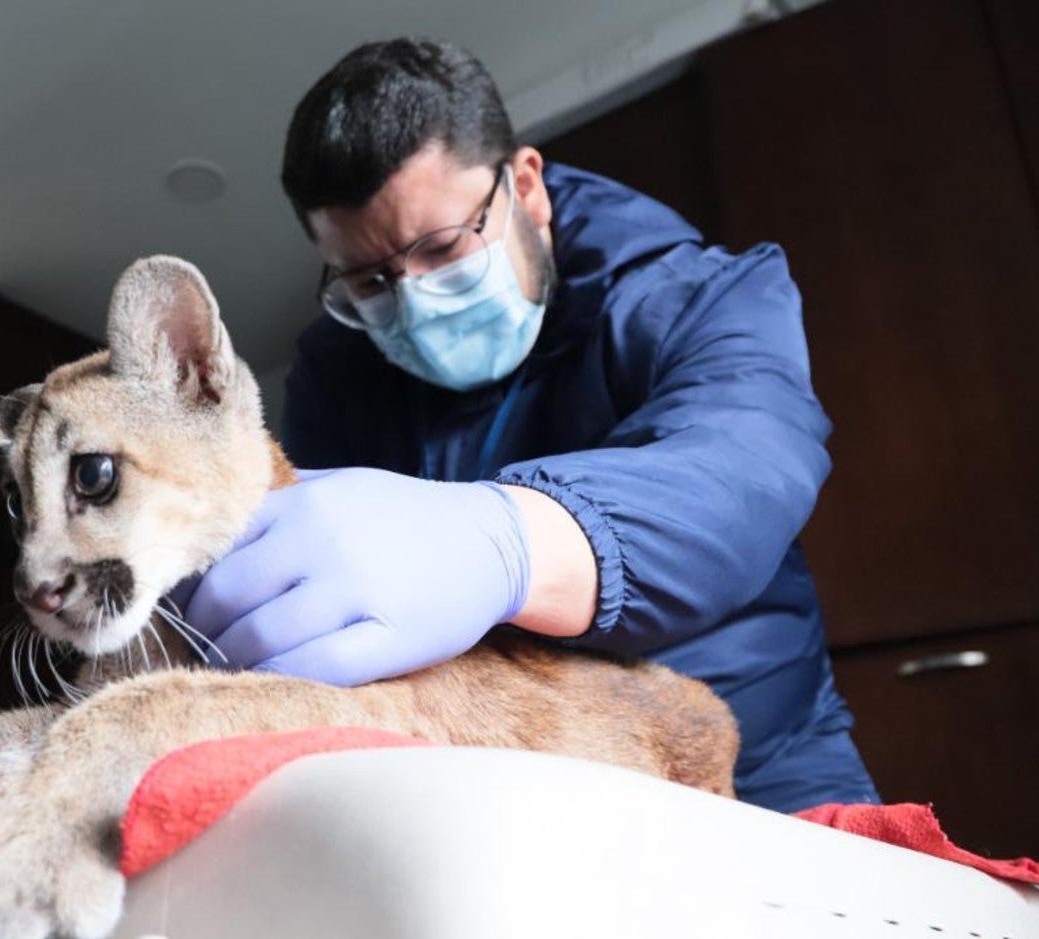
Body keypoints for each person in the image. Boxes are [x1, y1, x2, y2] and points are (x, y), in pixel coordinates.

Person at [181, 37, 879, 814]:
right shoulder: (337, 373)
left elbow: (742, 473)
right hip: (511, 772)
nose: (412, 300)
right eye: (371, 279)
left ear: (526, 187)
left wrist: (505, 543)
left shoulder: (698, 298)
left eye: (443, 248)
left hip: (768, 765)